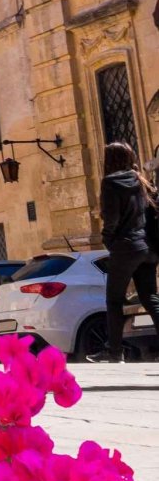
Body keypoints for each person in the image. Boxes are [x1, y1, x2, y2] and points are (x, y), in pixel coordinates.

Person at [91, 142, 159, 362]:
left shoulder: (110, 182)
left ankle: (114, 351)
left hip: (125, 247)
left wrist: (109, 241)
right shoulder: (142, 181)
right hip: (147, 248)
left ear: (109, 160)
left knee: (114, 300)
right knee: (150, 298)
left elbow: (111, 220)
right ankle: (113, 348)